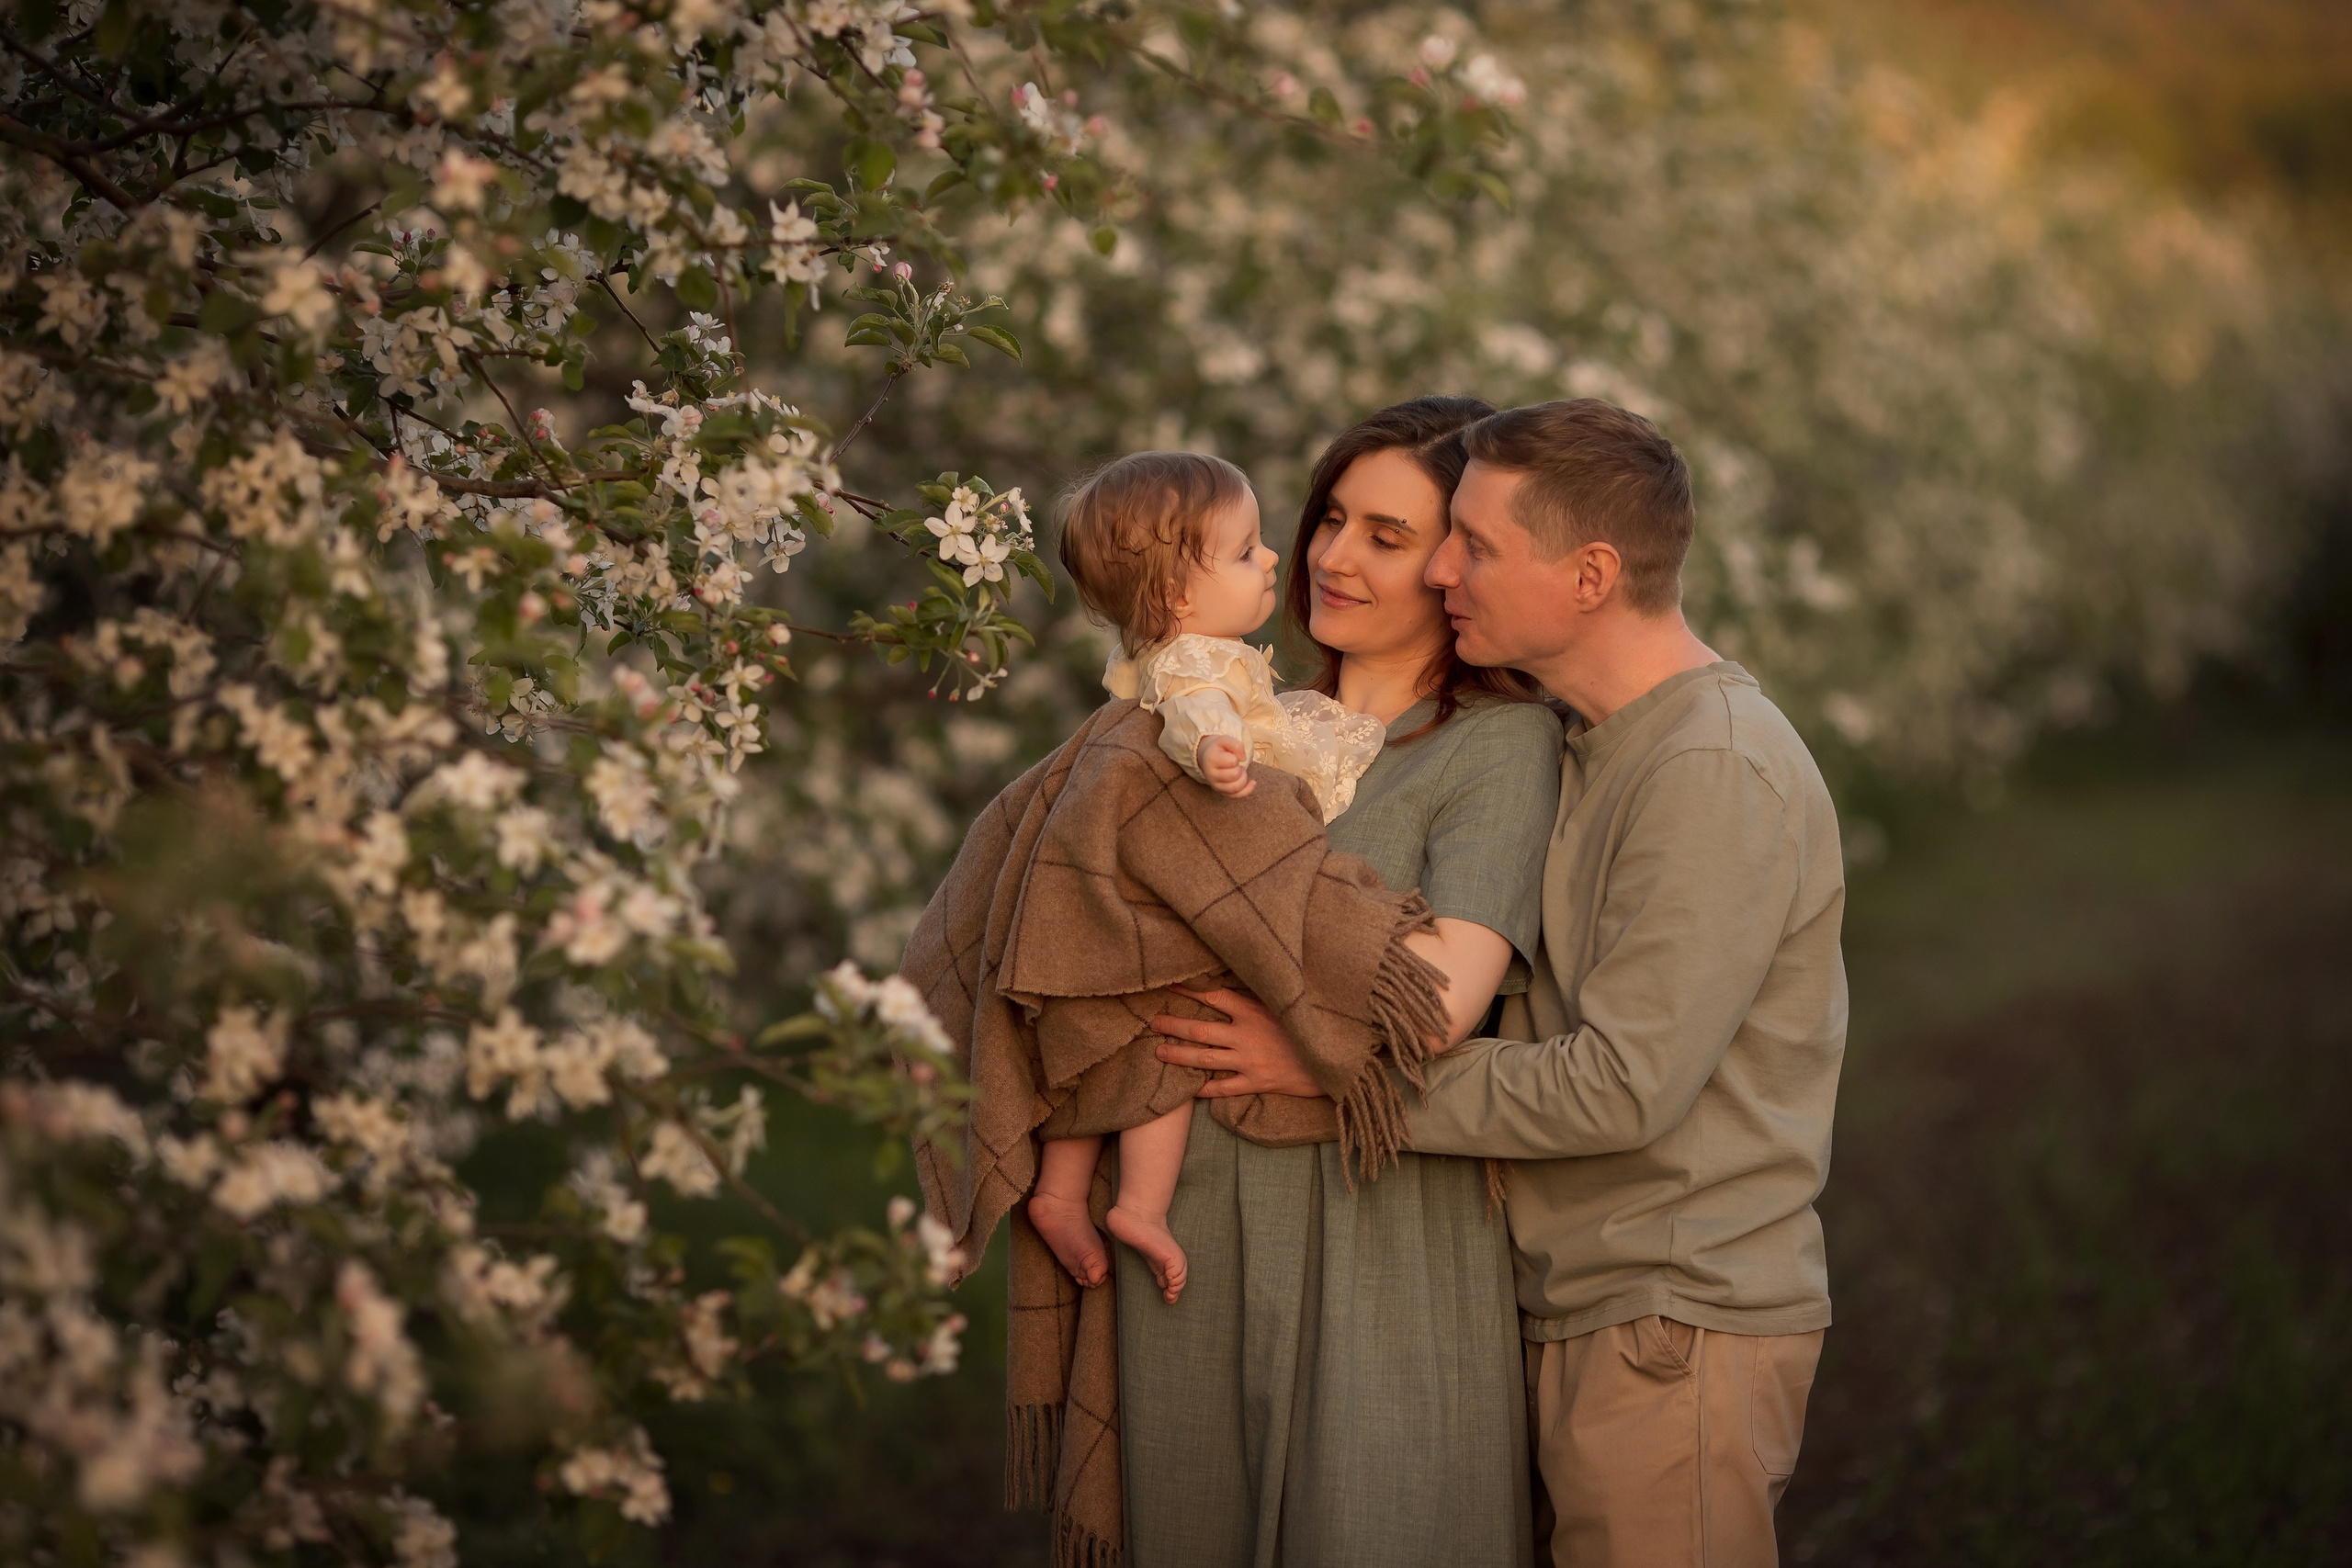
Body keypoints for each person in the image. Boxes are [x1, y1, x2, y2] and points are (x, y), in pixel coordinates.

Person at [1154, 399, 1848, 1567]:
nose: (1441, 570)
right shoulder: (1600, 741)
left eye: (1472, 545)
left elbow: (1619, 1087)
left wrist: (1337, 1079)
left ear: (1590, 576)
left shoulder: (1713, 766)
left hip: (1669, 1319)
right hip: (1584, 1303)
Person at [1115, 398, 1563, 1566]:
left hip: (1378, 1222)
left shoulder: (1495, 744)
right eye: (1328, 519)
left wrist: (1296, 1037)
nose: (1331, 555)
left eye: (1385, 535)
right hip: (1191, 1224)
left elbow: (1443, 997)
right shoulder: (1235, 722)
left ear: (1456, 563)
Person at [1032, 451, 1385, 1304]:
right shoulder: (1196, 662)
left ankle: (1060, 1190)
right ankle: (1140, 1206)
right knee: (1169, 1050)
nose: (1273, 558)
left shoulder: (1175, 651)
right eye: (1245, 550)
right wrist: (1217, 751)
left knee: (1108, 1034)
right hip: (1177, 868)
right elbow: (1195, 714)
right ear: (1176, 598)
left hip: (1124, 880)